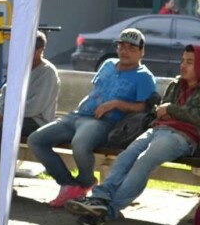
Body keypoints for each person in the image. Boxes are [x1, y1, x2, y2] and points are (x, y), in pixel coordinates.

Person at [66, 45, 200, 225]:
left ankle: (108, 210)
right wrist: (167, 112)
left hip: (182, 137)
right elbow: (157, 112)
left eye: (190, 62)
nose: (183, 65)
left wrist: (170, 110)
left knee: (143, 161)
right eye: (182, 60)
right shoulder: (176, 85)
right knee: (126, 156)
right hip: (157, 130)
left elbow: (194, 116)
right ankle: (99, 198)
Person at [27, 28, 157, 207]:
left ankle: (85, 182)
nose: (125, 51)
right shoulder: (108, 64)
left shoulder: (145, 77)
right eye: (122, 46)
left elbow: (145, 107)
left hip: (103, 122)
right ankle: (69, 184)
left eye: (131, 48)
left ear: (142, 51)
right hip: (77, 116)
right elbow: (97, 91)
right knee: (36, 139)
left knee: (80, 144)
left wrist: (116, 104)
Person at [0, 31, 60, 190]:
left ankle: (4, 178)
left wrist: (4, 117)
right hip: (8, 117)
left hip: (36, 121)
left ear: (40, 50)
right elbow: (3, 95)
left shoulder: (48, 73)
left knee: (5, 127)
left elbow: (35, 107)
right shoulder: (19, 67)